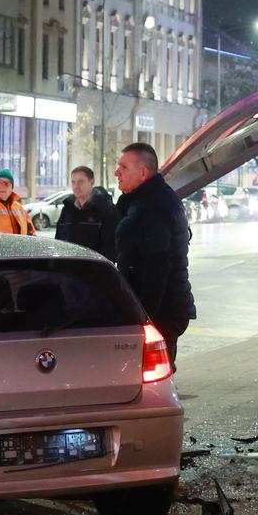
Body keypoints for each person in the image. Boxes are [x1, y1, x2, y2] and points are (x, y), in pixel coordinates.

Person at [114, 142, 195, 364]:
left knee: (153, 374)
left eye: (123, 167)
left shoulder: (155, 206)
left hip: (161, 312)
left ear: (143, 173)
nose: (117, 172)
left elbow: (157, 266)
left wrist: (144, 316)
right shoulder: (140, 201)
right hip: (159, 308)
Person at [54, 165, 119, 260]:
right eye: (73, 182)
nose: (76, 187)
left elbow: (110, 247)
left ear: (91, 182)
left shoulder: (105, 209)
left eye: (81, 182)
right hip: (67, 266)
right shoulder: (67, 209)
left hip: (95, 266)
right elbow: (59, 241)